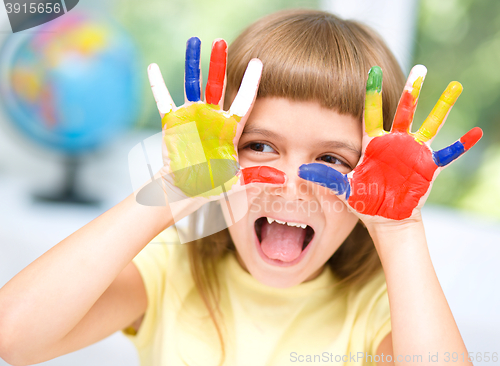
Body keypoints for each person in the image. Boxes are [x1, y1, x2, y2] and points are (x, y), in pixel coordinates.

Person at [0, 9, 482, 366]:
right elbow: (13, 337)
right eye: (260, 146)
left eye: (332, 159)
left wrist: (399, 231)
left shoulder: (380, 310)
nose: (292, 186)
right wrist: (172, 189)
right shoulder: (171, 270)